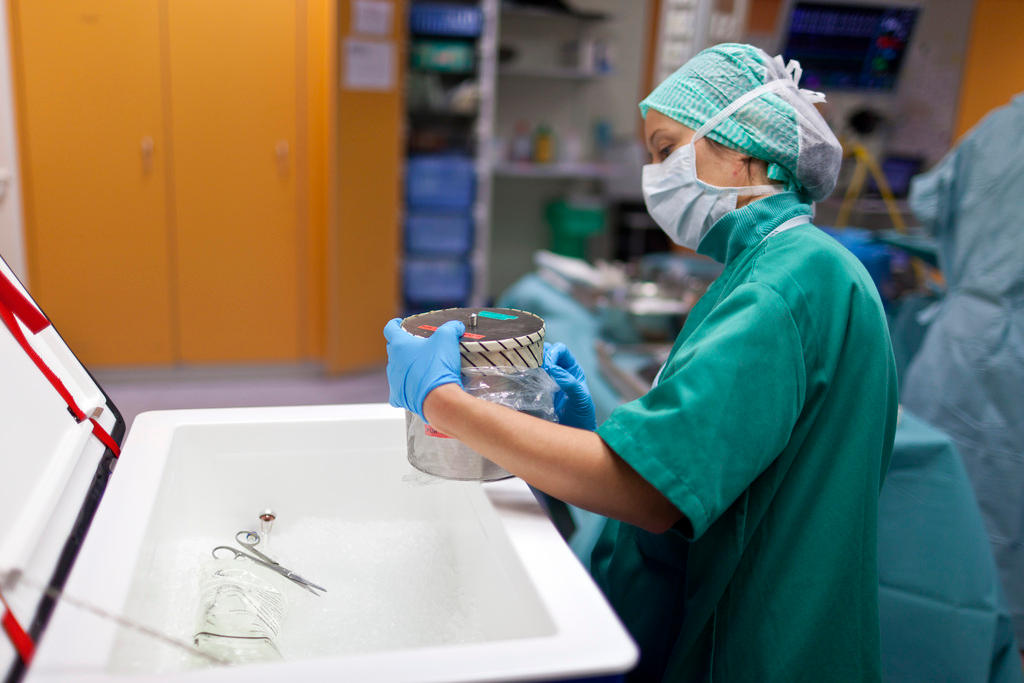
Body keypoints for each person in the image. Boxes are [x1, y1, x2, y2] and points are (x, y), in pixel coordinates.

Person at [384, 44, 898, 682]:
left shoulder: (781, 286)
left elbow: (650, 496)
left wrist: (441, 402)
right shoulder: (784, 265)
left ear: (742, 149)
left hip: (755, 646)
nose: (654, 172)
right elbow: (719, 448)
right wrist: (583, 440)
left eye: (664, 149)